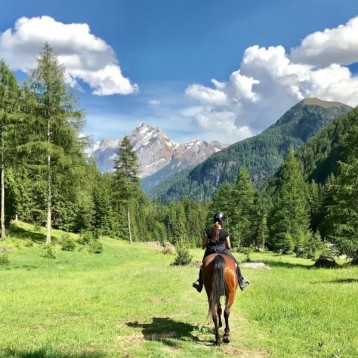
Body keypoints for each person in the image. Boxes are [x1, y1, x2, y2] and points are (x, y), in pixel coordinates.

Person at [192, 211, 250, 292]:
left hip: (210, 250)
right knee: (235, 264)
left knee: (203, 266)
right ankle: (241, 282)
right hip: (223, 250)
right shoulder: (225, 232)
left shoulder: (208, 231)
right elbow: (229, 246)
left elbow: (204, 243)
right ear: (221, 221)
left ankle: (200, 283)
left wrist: (210, 246)